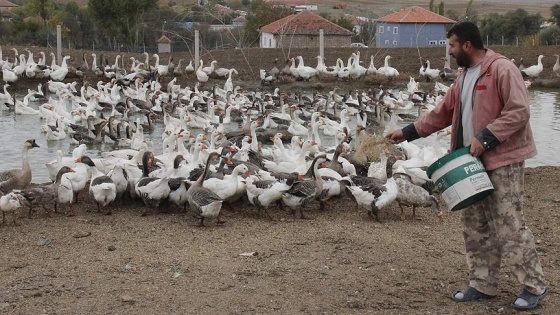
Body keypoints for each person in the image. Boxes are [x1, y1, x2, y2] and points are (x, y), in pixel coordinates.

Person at [385, 21, 547, 310]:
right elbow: (442, 113)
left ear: (467, 46)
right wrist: (408, 131)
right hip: (468, 163)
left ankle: (534, 286)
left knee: (508, 224)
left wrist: (486, 138)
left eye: (452, 45)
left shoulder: (501, 69)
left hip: (502, 160)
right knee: (475, 224)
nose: (449, 51)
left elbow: (519, 111)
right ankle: (483, 284)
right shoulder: (464, 76)